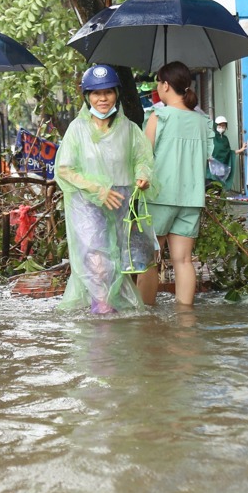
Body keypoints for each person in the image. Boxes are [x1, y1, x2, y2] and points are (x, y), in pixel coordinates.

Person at [56, 64, 154, 314]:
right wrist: (97, 190)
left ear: (116, 94)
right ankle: (102, 309)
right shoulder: (77, 129)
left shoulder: (130, 129)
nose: (102, 98)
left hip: (121, 200)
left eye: (108, 92)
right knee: (96, 255)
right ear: (87, 96)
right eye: (96, 93)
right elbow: (64, 169)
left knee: (120, 258)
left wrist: (143, 176)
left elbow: (142, 158)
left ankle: (114, 313)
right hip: (86, 202)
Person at [136, 62, 214, 307]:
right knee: (183, 260)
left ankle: (146, 321)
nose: (158, 87)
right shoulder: (204, 122)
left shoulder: (159, 116)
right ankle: (185, 320)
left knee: (150, 260)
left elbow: (144, 158)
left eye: (159, 82)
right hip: (191, 199)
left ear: (166, 85)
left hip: (158, 198)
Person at [207, 115, 234, 185]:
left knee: (220, 189)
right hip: (210, 170)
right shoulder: (211, 136)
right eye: (219, 125)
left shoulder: (225, 139)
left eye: (224, 125)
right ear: (215, 125)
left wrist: (240, 150)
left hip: (222, 169)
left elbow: (228, 152)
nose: (222, 127)